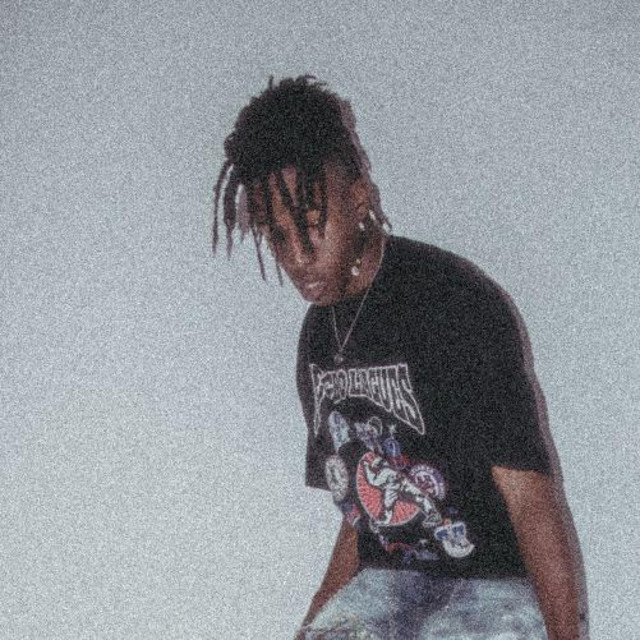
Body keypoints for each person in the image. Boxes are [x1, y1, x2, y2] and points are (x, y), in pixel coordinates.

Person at [213, 76, 582, 640]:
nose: (298, 258)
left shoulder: (455, 303)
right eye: (278, 236)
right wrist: (310, 624)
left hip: (494, 583)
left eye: (311, 225)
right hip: (388, 585)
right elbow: (361, 519)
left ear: (359, 196)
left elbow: (530, 498)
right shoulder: (317, 341)